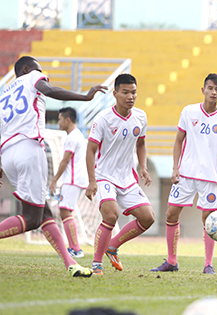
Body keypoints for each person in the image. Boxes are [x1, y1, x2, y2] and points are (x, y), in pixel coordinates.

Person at [0, 56, 107, 277]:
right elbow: (48, 89)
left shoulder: (4, 95)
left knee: (45, 213)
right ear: (27, 69)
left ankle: (71, 264)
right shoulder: (32, 77)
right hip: (28, 148)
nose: (42, 73)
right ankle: (71, 261)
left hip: (7, 155)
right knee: (32, 219)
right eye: (39, 69)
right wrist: (84, 97)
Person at [151, 73, 217, 274]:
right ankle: (171, 261)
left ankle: (208, 264)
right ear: (203, 90)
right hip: (186, 175)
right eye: (210, 88)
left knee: (209, 221)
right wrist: (175, 168)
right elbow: (178, 141)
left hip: (210, 178)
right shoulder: (189, 112)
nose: (213, 92)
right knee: (171, 214)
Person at [85, 73, 155, 276]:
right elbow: (90, 150)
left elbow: (141, 143)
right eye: (125, 92)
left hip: (127, 178)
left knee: (148, 218)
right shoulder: (103, 118)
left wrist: (143, 167)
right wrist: (92, 181)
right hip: (104, 175)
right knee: (111, 214)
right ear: (115, 94)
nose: (130, 96)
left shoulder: (140, 116)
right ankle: (97, 264)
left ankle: (112, 246)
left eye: (134, 92)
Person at [49, 107, 88, 258]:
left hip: (72, 179)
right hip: (75, 179)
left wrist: (54, 180)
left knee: (65, 210)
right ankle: (73, 247)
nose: (58, 122)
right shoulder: (78, 135)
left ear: (67, 120)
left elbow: (65, 160)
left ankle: (76, 249)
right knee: (65, 211)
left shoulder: (72, 137)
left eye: (59, 119)